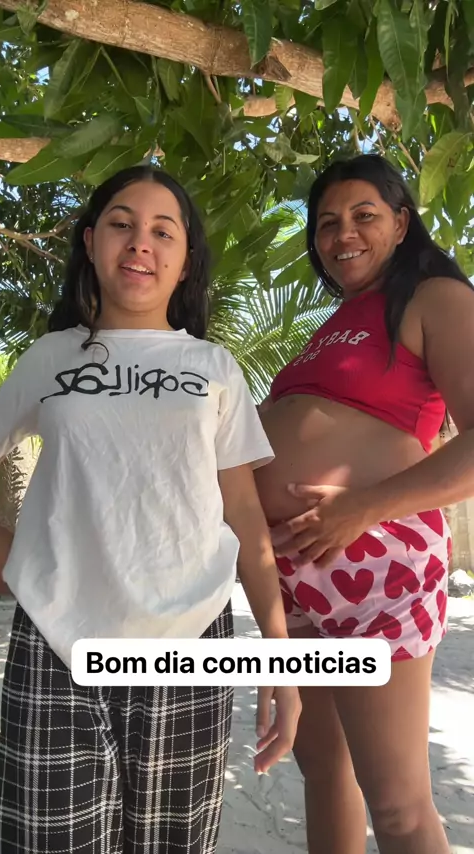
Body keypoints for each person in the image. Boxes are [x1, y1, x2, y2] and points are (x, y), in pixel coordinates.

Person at [0, 165, 301, 854]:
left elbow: (245, 518)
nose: (140, 243)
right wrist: (8, 557)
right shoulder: (48, 359)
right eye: (121, 224)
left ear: (185, 259)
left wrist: (279, 656)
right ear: (90, 242)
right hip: (58, 643)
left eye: (164, 231)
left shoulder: (216, 369)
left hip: (191, 643)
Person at [254, 153, 474, 854]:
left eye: (363, 215)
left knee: (399, 804)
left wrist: (364, 507)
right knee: (324, 773)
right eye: (326, 223)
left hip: (374, 561)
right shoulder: (336, 322)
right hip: (292, 573)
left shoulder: (436, 297)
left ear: (402, 223)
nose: (341, 234)